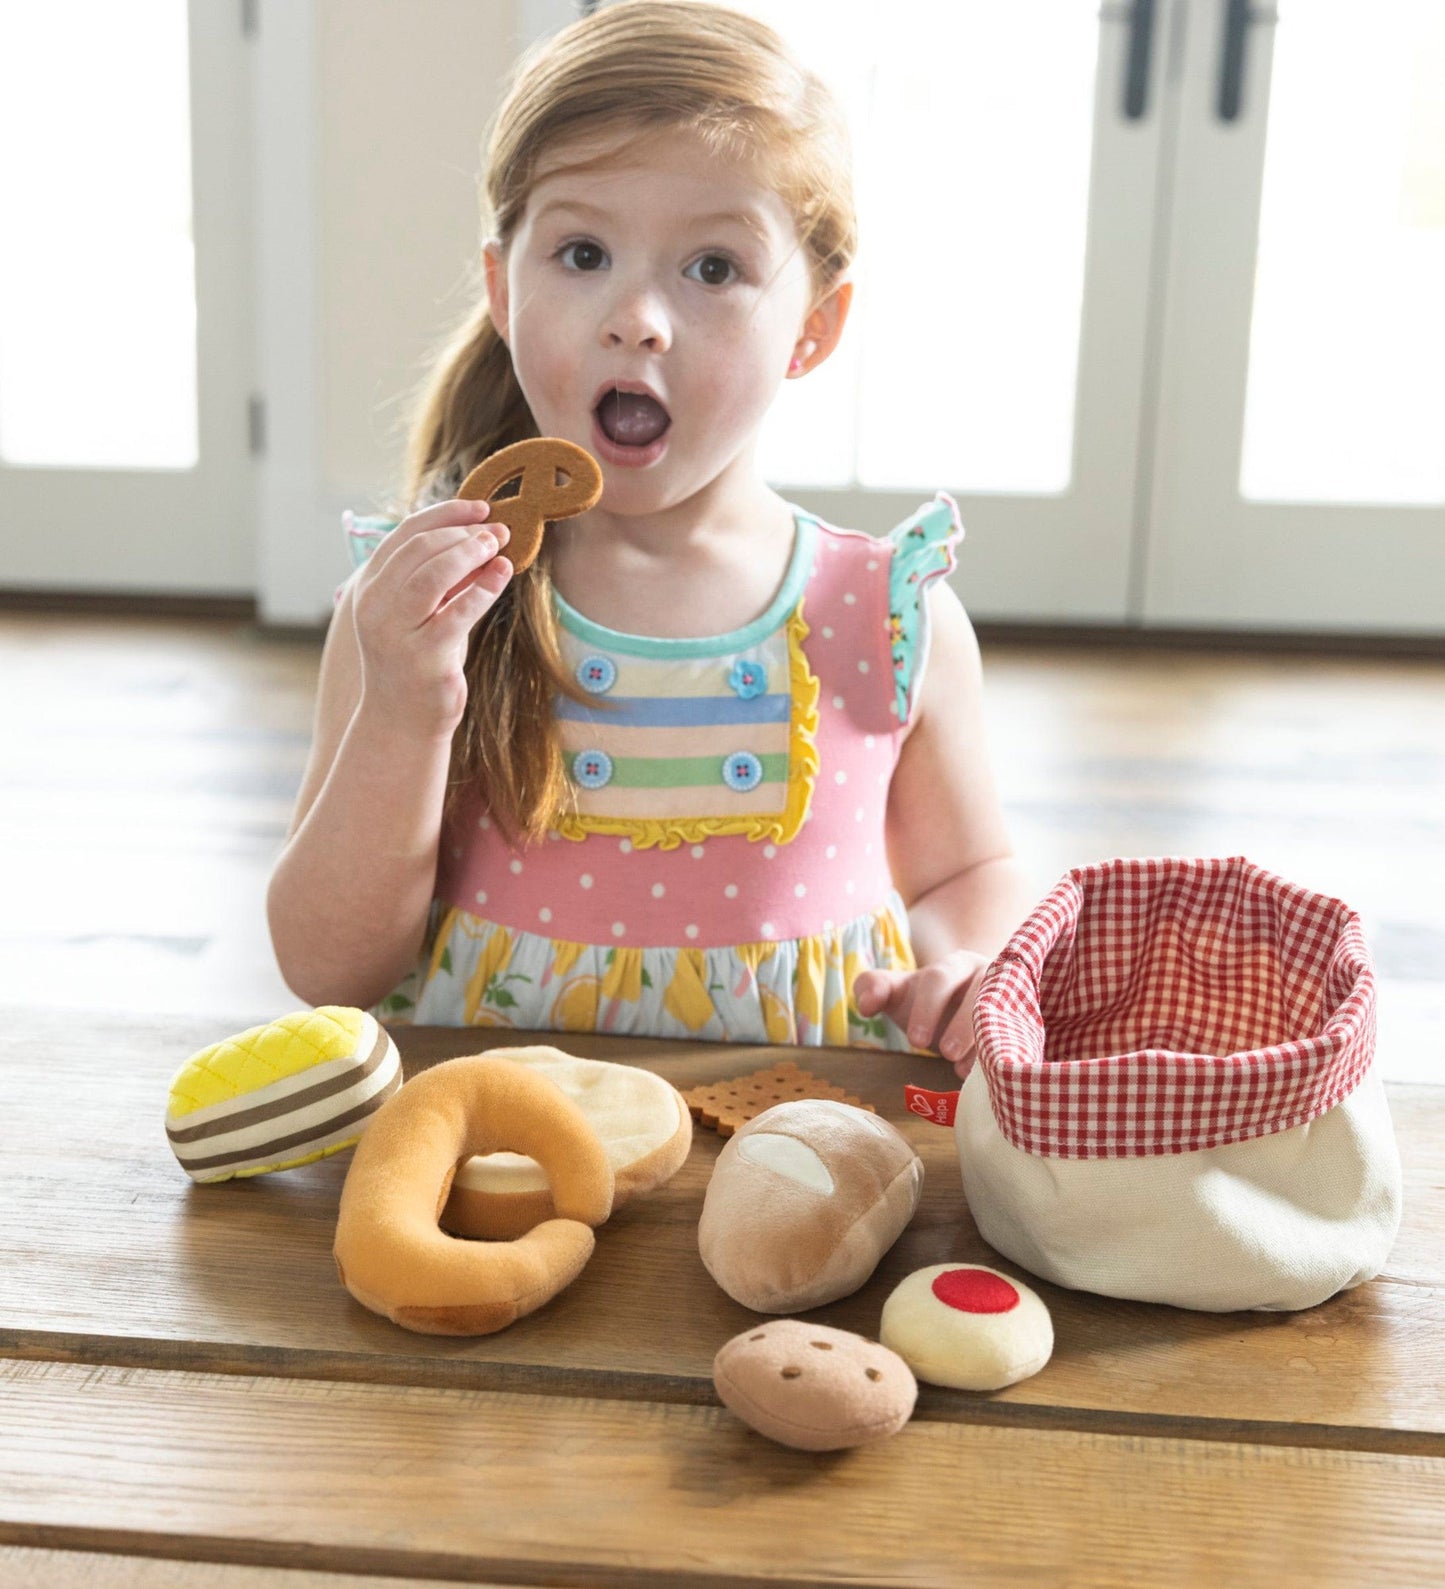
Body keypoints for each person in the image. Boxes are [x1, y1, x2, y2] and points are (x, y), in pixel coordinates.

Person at [268, 0, 1032, 1079]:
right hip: (503, 1158)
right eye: (581, 251)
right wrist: (403, 706)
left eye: (712, 269)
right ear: (499, 286)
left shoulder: (886, 613)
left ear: (813, 326)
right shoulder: (415, 611)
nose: (635, 315)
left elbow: (966, 871)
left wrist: (966, 963)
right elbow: (326, 969)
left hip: (797, 1151)